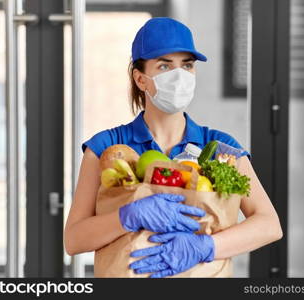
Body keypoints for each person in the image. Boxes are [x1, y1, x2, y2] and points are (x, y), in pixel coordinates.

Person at [64, 17, 283, 278]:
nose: (179, 76)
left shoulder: (219, 148)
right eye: (165, 66)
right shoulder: (107, 147)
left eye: (187, 65)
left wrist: (205, 247)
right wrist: (127, 217)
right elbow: (74, 240)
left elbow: (270, 225)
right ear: (140, 79)